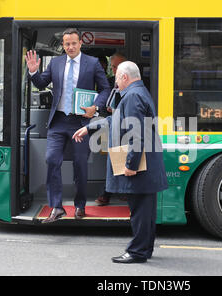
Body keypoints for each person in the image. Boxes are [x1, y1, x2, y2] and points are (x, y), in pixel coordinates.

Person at [73, 61, 168, 263]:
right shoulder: (137, 93)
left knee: (140, 211)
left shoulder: (132, 96)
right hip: (147, 163)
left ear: (125, 77)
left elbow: (137, 134)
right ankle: (143, 249)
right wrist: (90, 128)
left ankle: (136, 252)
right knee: (145, 212)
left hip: (140, 165)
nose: (115, 83)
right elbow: (114, 120)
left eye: (116, 78)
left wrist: (131, 166)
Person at [25, 28, 110, 222]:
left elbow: (105, 88)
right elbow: (40, 83)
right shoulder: (56, 63)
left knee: (80, 166)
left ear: (80, 43)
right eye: (67, 44)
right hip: (59, 122)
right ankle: (56, 207)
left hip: (81, 122)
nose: (70, 47)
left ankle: (80, 205)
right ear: (63, 46)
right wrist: (33, 71)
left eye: (73, 43)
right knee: (52, 160)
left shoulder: (93, 63)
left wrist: (95, 107)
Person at [95, 52, 127, 206]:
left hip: (125, 127)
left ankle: (107, 193)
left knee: (116, 159)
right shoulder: (108, 82)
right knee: (110, 160)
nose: (114, 70)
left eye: (117, 67)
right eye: (113, 67)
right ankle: (116, 190)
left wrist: (116, 111)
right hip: (107, 124)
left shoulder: (130, 85)